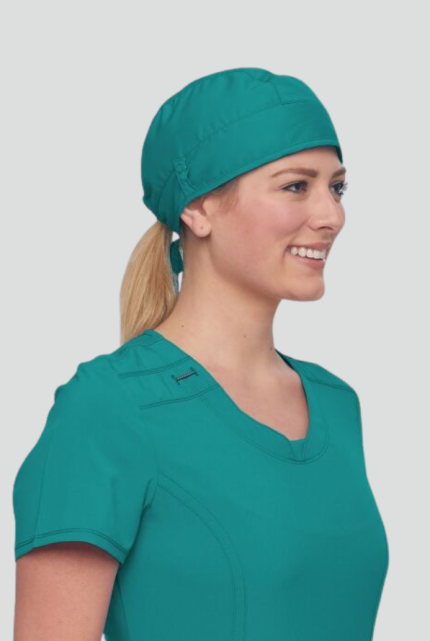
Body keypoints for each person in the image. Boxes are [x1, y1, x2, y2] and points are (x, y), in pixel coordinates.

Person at [12, 67, 389, 641]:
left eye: (336, 188)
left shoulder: (337, 405)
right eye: (296, 186)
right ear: (199, 209)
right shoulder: (109, 410)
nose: (331, 216)